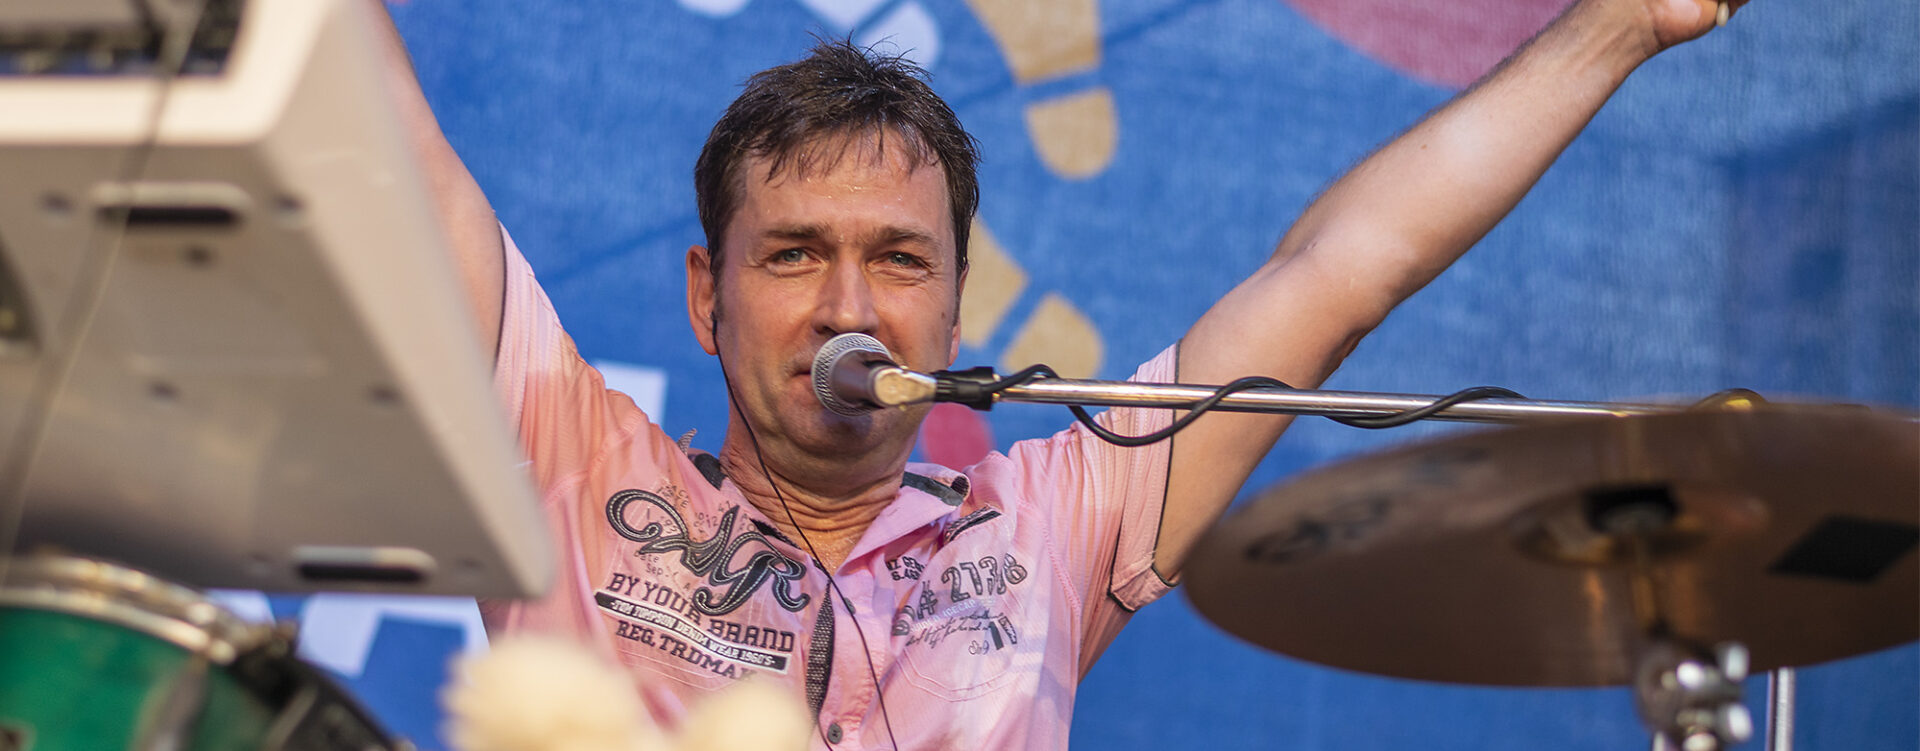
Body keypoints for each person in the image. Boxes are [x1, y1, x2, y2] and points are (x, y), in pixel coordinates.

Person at [376, 0, 1747, 747]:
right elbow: (388, 154)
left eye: (899, 262)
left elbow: (1343, 267)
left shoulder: (1052, 521)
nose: (848, 303)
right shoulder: (563, 449)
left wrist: (1623, 21)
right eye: (792, 255)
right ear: (705, 297)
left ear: (957, 307)